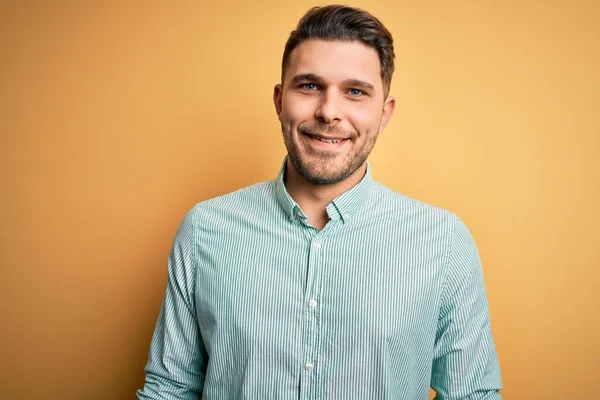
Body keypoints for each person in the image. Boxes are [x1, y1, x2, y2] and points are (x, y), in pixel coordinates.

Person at [137, 4, 502, 399]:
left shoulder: (444, 242)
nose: (329, 111)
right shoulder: (204, 230)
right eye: (309, 86)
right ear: (280, 100)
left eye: (355, 92)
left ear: (384, 113)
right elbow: (169, 390)